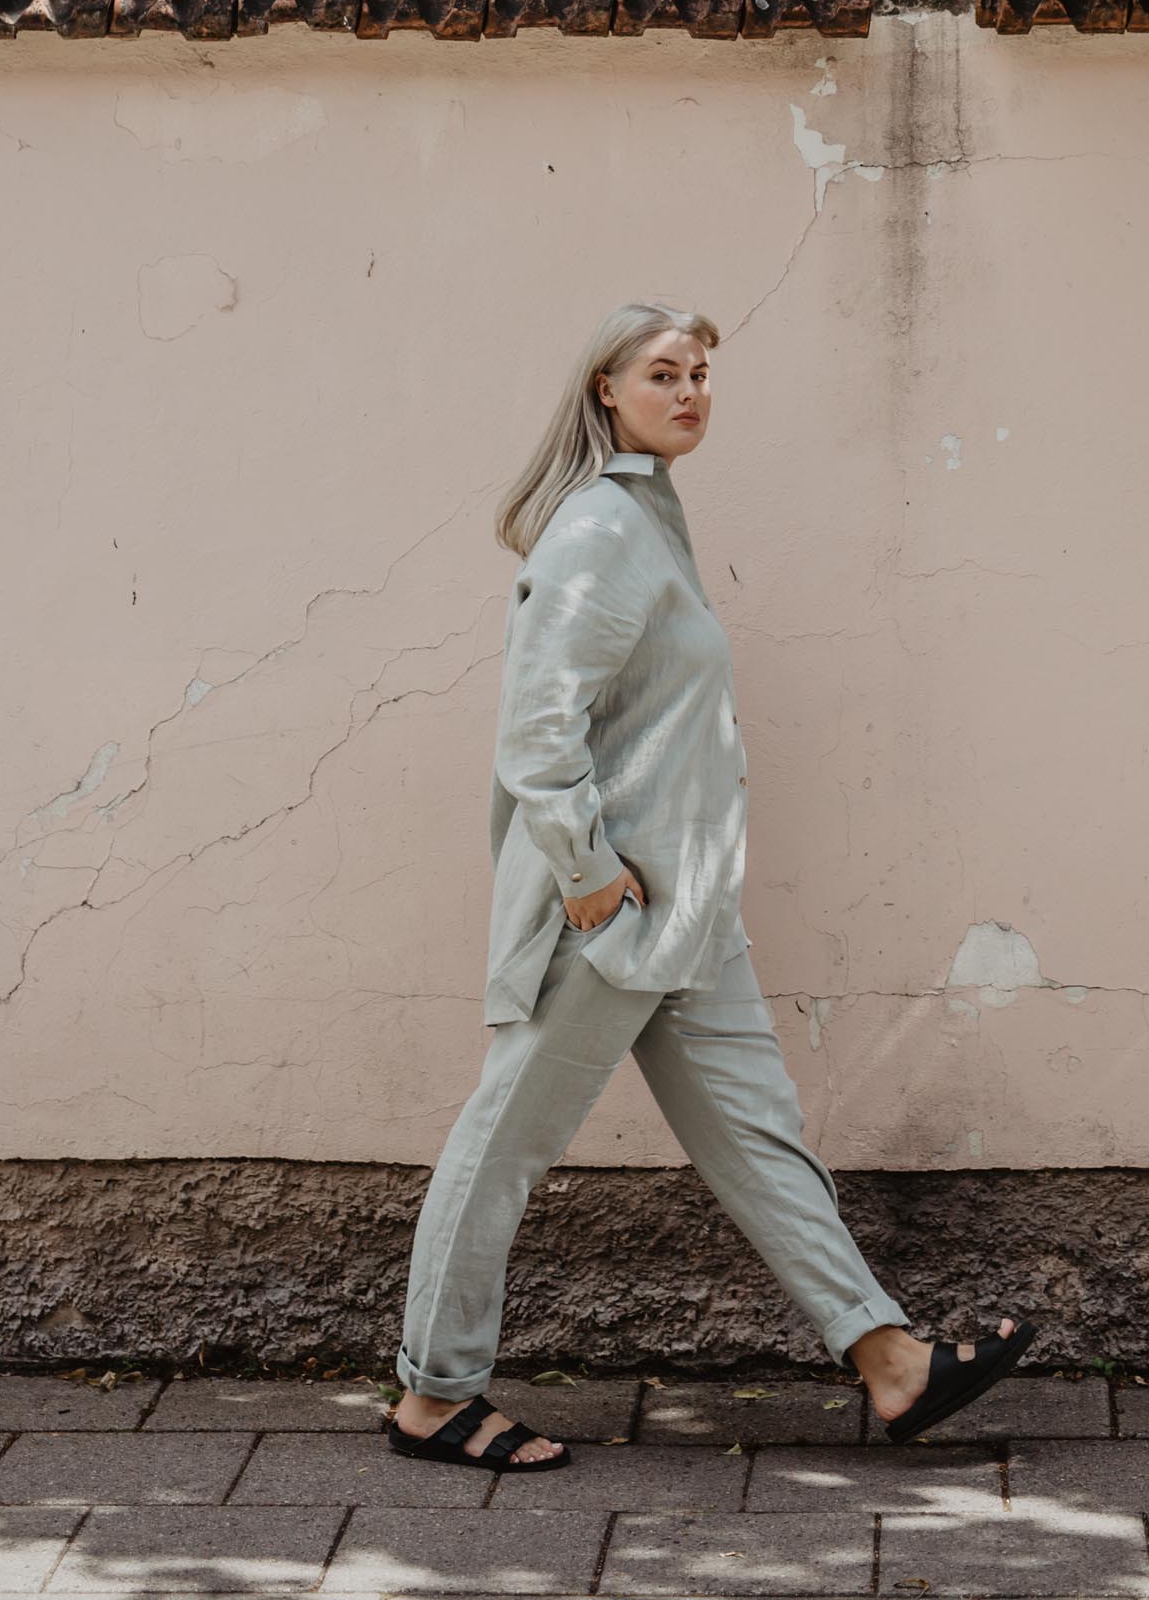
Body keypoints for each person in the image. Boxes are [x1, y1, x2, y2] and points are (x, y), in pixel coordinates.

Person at [388, 300, 1033, 1471]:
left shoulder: (647, 519)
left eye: (699, 374)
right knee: (502, 1146)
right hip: (614, 911)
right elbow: (537, 732)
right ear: (604, 389)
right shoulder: (595, 531)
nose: (688, 392)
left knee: (756, 1135)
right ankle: (433, 1398)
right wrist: (586, 879)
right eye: (661, 373)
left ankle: (890, 1366)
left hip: (688, 908)